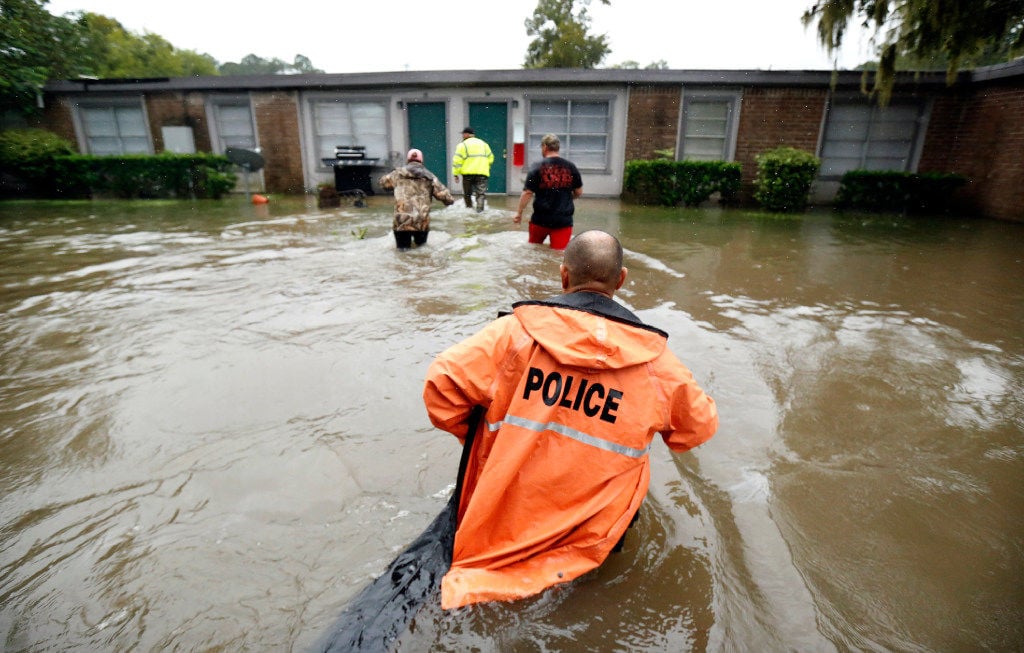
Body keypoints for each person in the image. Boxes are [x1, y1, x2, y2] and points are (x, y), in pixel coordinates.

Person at [422, 229, 719, 609]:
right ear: (622, 280)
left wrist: (484, 441)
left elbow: (441, 385)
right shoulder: (657, 364)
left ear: (564, 276)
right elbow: (698, 428)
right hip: (592, 536)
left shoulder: (513, 334)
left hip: (505, 518)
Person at [512, 133, 583, 250]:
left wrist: (519, 213)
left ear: (544, 147)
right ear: (558, 148)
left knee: (533, 251)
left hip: (540, 219)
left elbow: (527, 193)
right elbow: (579, 192)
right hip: (563, 221)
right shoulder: (571, 167)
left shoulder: (536, 167)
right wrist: (568, 198)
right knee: (559, 254)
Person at [379, 148, 454, 249]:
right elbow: (446, 197)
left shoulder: (396, 174)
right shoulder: (430, 177)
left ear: (408, 160)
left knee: (402, 253)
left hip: (401, 222)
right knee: (421, 252)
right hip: (421, 223)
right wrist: (449, 201)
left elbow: (382, 184)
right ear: (421, 161)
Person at [451, 127, 494, 213]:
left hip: (468, 175)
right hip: (482, 174)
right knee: (480, 194)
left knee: (467, 194)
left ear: (467, 134)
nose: (462, 136)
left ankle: (469, 210)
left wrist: (456, 174)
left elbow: (457, 161)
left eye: (463, 134)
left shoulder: (462, 145)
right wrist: (486, 168)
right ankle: (480, 212)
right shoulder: (484, 144)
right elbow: (491, 158)